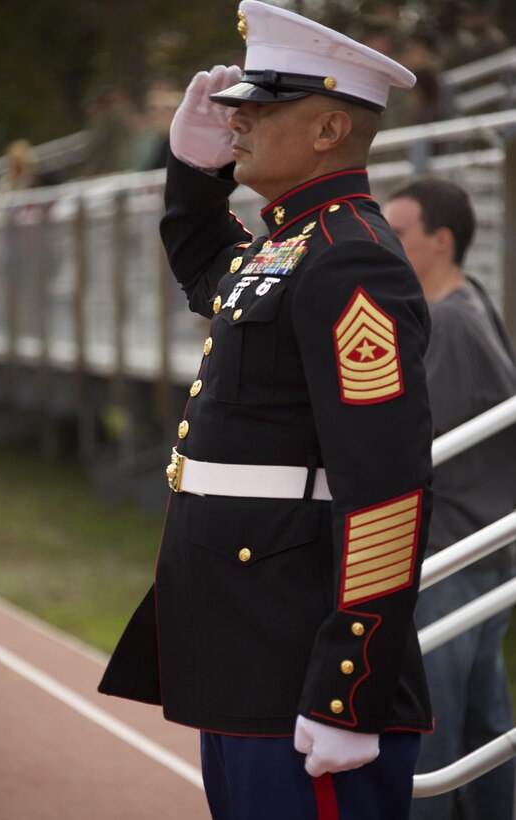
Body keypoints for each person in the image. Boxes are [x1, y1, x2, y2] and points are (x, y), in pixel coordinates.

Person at [99, 3, 435, 818]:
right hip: (242, 642)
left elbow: (385, 490)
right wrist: (191, 170)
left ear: (327, 130)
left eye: (260, 106)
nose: (236, 119)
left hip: (296, 658)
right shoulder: (293, 243)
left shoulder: (349, 257)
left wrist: (347, 689)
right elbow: (209, 272)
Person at [384, 177, 516, 820]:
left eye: (399, 233)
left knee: (432, 736)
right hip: (477, 549)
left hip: (455, 554)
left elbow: (404, 442)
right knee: (482, 726)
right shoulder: (466, 308)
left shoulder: (452, 322)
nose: (385, 243)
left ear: (441, 241)